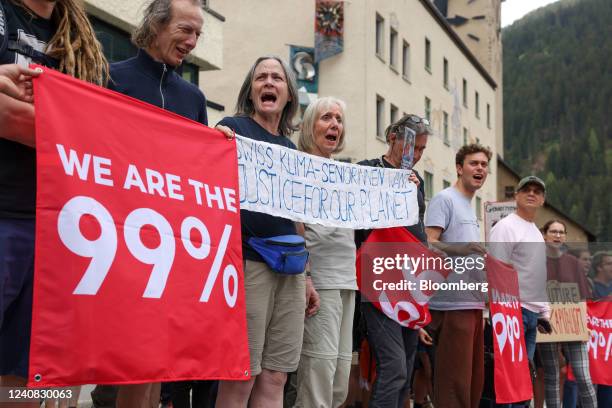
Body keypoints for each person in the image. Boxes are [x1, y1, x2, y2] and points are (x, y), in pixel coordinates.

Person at [104, 1, 225, 406]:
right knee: (115, 361)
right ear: (156, 25)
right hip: (113, 239)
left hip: (170, 248)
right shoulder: (110, 78)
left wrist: (219, 150)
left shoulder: (192, 98)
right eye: (185, 30)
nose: (191, 42)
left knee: (155, 361)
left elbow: (198, 174)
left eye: (197, 35)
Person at [0, 1, 108, 406]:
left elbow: (106, 132)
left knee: (26, 374)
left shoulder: (83, 40)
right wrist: (69, 130)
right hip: (6, 214)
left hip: (57, 229)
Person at [214, 56, 319, 408]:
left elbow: (297, 219)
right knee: (242, 372)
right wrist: (214, 143)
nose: (268, 83)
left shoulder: (292, 151)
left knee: (276, 375)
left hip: (290, 270)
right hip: (249, 263)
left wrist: (306, 276)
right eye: (261, 77)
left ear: (289, 94)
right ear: (252, 89)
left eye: (276, 78)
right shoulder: (234, 129)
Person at [355, 114, 432, 408]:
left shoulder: (417, 181)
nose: (418, 156)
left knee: (406, 368)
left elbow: (418, 231)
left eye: (423, 150)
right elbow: (358, 223)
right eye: (415, 148)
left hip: (410, 284)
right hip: (378, 281)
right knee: (394, 366)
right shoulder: (368, 170)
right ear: (393, 139)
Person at [292, 97, 356, 408]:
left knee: (340, 380)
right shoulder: (296, 167)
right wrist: (305, 277)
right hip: (321, 280)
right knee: (318, 373)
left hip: (348, 282)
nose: (334, 125)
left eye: (339, 119)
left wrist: (402, 181)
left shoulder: (345, 173)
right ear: (308, 126)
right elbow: (294, 224)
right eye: (326, 118)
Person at [424, 143, 491, 408]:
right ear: (459, 168)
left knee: (473, 383)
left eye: (484, 165)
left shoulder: (470, 207)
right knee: (454, 384)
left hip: (473, 304)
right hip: (450, 305)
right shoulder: (445, 199)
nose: (480, 169)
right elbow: (428, 243)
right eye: (474, 163)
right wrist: (463, 248)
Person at [489, 176, 552, 407]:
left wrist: (545, 312)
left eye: (537, 191)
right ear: (516, 196)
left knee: (523, 381)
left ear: (543, 200)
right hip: (511, 312)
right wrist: (501, 312)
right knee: (509, 382)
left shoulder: (536, 232)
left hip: (532, 316)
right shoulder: (505, 227)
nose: (532, 193)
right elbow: (495, 270)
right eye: (526, 189)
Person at [538, 220, 597, 408]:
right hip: (546, 323)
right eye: (553, 232)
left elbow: (583, 297)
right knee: (552, 376)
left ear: (565, 237)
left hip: (573, 325)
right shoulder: (535, 262)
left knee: (583, 376)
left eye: (561, 232)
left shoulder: (574, 263)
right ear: (544, 235)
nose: (557, 236)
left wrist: (584, 324)